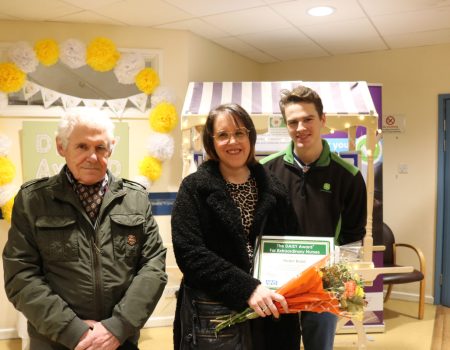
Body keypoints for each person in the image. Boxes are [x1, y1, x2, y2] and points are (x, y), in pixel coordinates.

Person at [3, 110, 167, 350]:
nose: (92, 156)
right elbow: (20, 275)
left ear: (111, 148)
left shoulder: (136, 199)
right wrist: (73, 331)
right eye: (82, 146)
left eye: (100, 147)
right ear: (62, 147)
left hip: (119, 341)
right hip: (55, 341)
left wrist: (117, 326)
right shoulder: (33, 201)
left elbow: (153, 266)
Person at [171, 103, 299, 349]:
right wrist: (247, 289)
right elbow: (189, 253)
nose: (233, 141)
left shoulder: (275, 189)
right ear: (211, 142)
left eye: (239, 133)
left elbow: (292, 244)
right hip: (214, 319)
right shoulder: (194, 188)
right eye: (223, 135)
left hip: (271, 318)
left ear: (250, 136)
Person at [261, 85, 367, 350]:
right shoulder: (266, 171)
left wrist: (341, 286)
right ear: (285, 125)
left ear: (322, 120)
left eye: (308, 119)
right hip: (278, 282)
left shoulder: (349, 177)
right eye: (293, 121)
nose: (301, 127)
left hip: (324, 283)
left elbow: (353, 237)